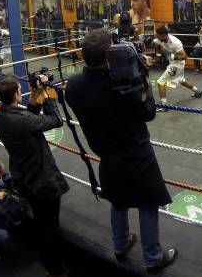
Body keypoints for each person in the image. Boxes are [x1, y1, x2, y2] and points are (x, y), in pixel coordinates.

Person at [65, 29, 177, 271]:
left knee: (118, 200)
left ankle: (119, 244)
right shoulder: (123, 87)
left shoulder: (73, 86)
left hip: (106, 153)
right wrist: (140, 75)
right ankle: (153, 257)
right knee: (147, 203)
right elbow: (149, 113)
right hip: (136, 151)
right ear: (109, 57)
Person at [0, 74, 70, 277]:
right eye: (20, 89)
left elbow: (28, 119)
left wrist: (34, 97)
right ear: (16, 94)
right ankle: (54, 268)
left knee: (41, 220)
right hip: (41, 179)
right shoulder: (23, 120)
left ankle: (49, 259)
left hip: (24, 176)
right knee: (50, 227)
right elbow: (55, 120)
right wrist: (45, 92)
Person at [153, 26, 202, 112]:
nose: (157, 37)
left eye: (158, 36)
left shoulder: (175, 42)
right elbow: (155, 42)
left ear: (164, 35)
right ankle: (197, 91)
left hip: (177, 65)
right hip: (173, 63)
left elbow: (184, 56)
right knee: (181, 80)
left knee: (160, 82)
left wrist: (173, 56)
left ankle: (164, 105)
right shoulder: (160, 39)